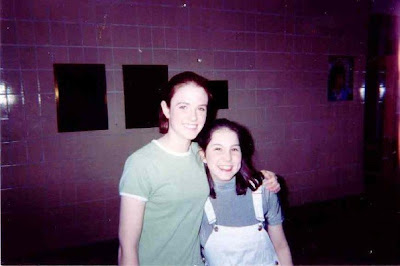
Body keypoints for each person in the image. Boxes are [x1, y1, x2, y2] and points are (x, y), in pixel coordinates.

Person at [118, 72, 281, 266]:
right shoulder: (141, 163)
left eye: (201, 108)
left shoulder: (201, 155)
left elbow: (230, 172)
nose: (193, 117)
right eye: (183, 106)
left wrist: (264, 178)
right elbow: (127, 247)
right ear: (166, 109)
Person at [198, 118, 293, 266]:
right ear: (203, 155)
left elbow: (281, 247)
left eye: (234, 149)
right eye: (218, 149)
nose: (228, 158)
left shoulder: (264, 192)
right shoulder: (195, 200)